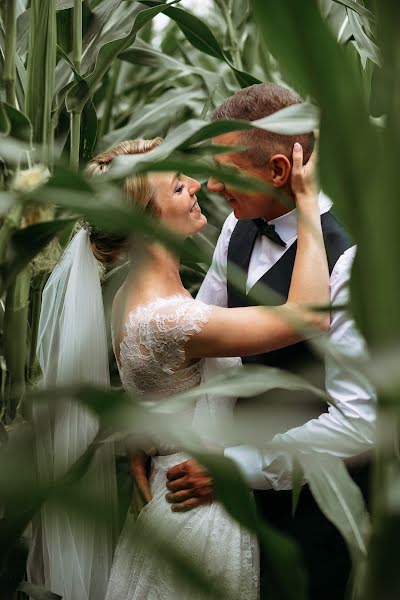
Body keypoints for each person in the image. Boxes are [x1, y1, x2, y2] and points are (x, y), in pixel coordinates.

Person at [70, 136, 328, 600]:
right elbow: (308, 315)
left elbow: (160, 386)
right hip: (199, 513)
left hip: (175, 489)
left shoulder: (135, 295)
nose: (195, 185)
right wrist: (308, 203)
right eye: (175, 187)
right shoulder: (169, 319)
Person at [164, 83, 376, 599]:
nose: (212, 187)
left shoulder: (351, 259)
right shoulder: (236, 227)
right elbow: (205, 339)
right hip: (220, 514)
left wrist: (237, 467)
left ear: (280, 172)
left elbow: (359, 421)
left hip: (311, 519)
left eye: (226, 171)